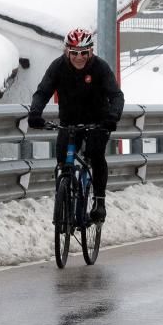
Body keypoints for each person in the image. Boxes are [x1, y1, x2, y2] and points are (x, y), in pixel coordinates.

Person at [27, 28, 124, 222]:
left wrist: (112, 118)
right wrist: (35, 113)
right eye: (74, 53)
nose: (79, 58)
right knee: (62, 159)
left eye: (83, 53)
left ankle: (99, 201)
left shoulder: (100, 68)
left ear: (90, 52)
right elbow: (42, 91)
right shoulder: (58, 67)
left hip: (98, 122)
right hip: (69, 122)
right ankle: (64, 195)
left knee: (96, 155)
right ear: (67, 52)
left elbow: (116, 96)